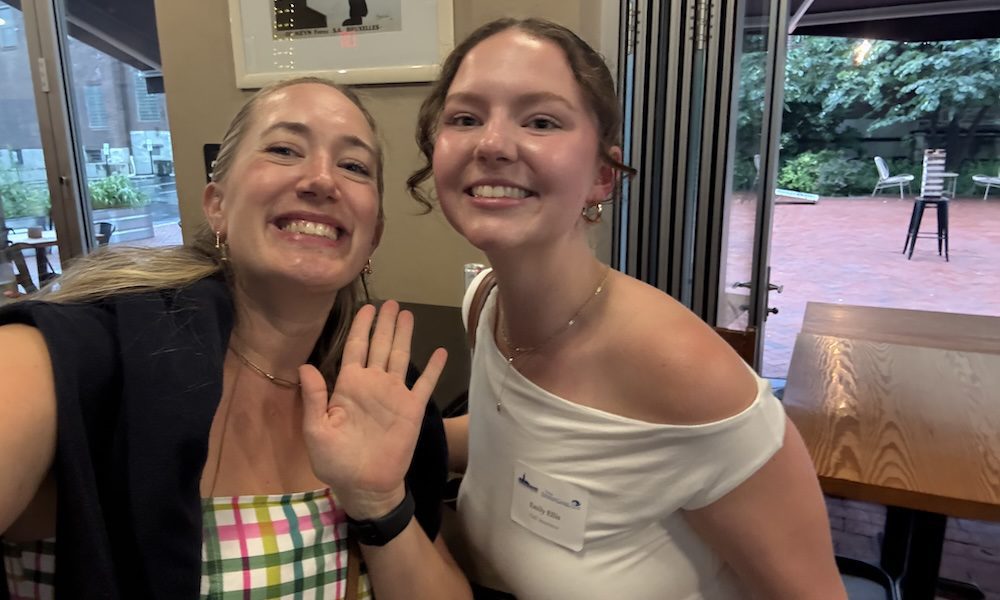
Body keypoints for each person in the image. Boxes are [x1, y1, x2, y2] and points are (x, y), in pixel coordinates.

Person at [407, 18, 846, 599]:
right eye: (465, 118)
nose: (491, 144)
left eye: (541, 121)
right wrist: (404, 438)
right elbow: (518, 436)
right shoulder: (485, 304)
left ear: (602, 176)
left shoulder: (685, 373)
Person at [0, 77, 471, 599]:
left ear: (373, 235)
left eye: (354, 166)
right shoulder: (81, 354)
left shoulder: (380, 391)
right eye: (284, 150)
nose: (322, 180)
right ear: (217, 204)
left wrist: (379, 504)